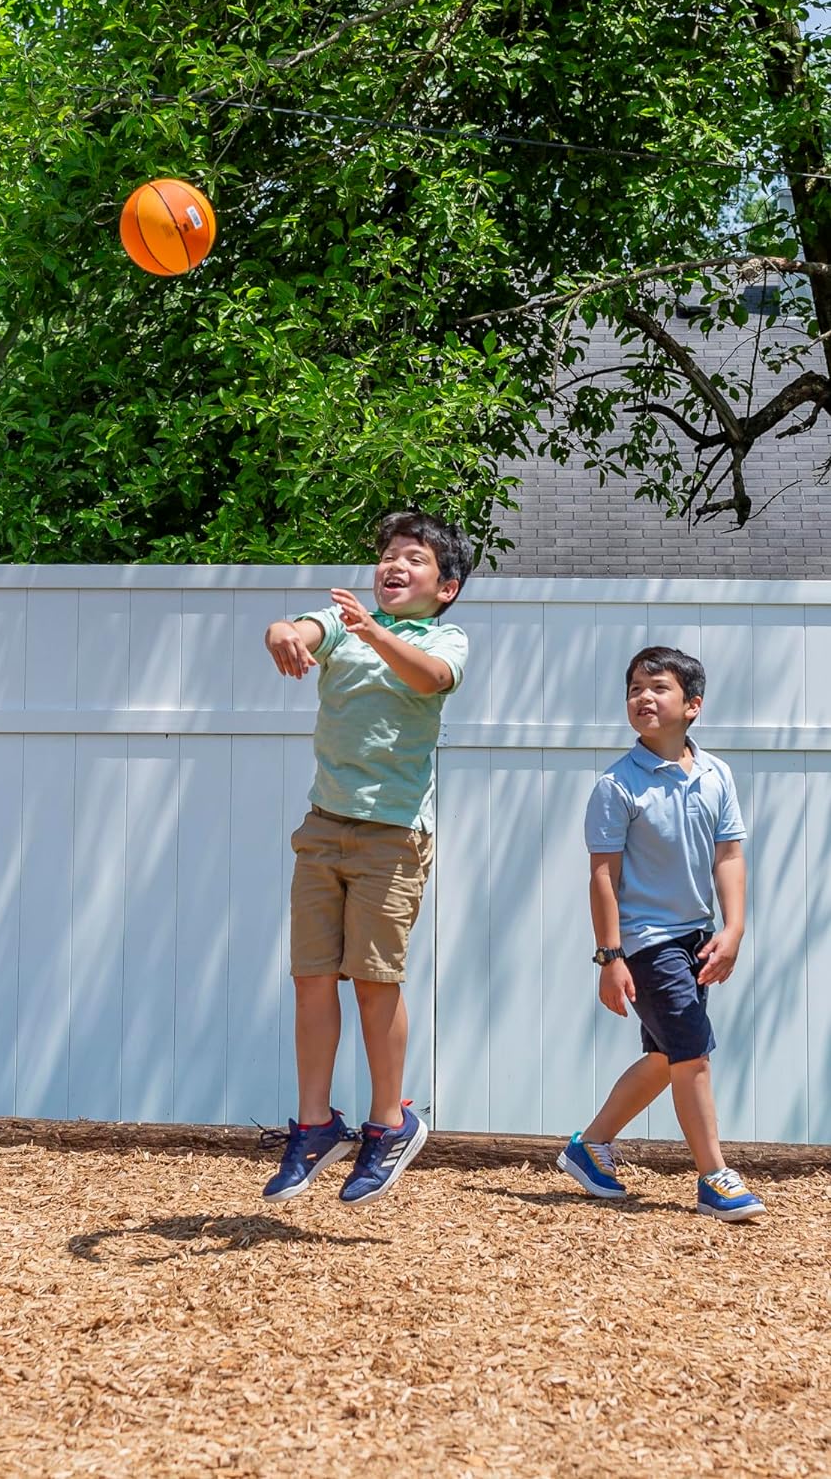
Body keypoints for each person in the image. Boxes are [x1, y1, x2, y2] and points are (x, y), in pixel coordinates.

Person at [261, 511, 472, 1205]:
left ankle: (391, 1122)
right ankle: (315, 1125)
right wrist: (286, 634)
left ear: (446, 586)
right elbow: (295, 631)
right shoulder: (340, 621)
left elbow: (429, 679)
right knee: (313, 977)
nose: (396, 565)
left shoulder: (444, 637)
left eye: (414, 558)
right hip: (323, 828)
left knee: (375, 980)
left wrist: (374, 632)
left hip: (393, 835)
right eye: (389, 555)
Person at [558, 646, 764, 1221]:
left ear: (692, 705)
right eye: (634, 690)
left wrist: (735, 927)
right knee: (692, 1052)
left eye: (659, 688)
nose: (643, 698)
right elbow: (603, 876)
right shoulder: (617, 785)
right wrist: (610, 958)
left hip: (697, 937)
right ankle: (714, 1177)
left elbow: (729, 855)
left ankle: (589, 1146)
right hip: (646, 940)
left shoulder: (717, 774)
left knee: (665, 1054)